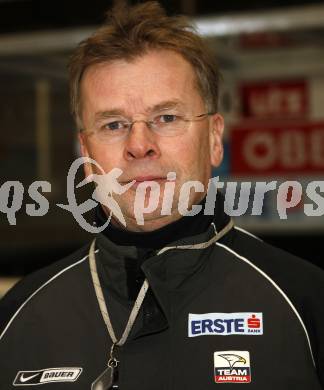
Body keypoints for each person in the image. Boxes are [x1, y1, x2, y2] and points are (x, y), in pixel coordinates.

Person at [0, 2, 323, 389]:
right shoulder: (20, 316)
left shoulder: (305, 303)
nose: (140, 145)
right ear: (86, 155)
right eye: (114, 123)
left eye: (167, 118)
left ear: (214, 139)